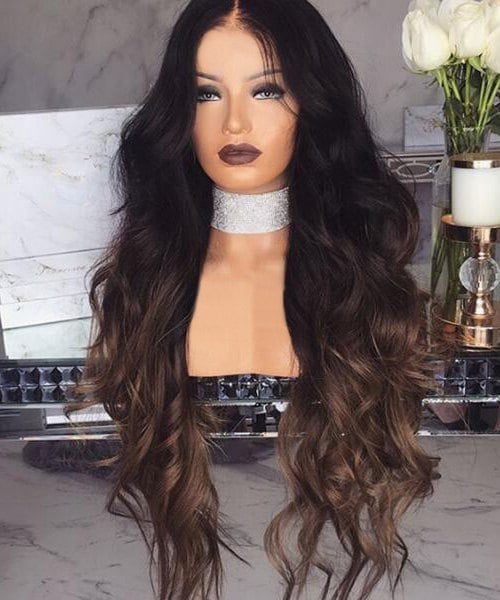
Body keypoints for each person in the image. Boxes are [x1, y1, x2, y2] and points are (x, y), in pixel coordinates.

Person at [65, 1, 441, 599]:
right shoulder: (150, 287)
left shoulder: (358, 291)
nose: (234, 124)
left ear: (311, 103)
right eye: (207, 94)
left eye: (266, 91)